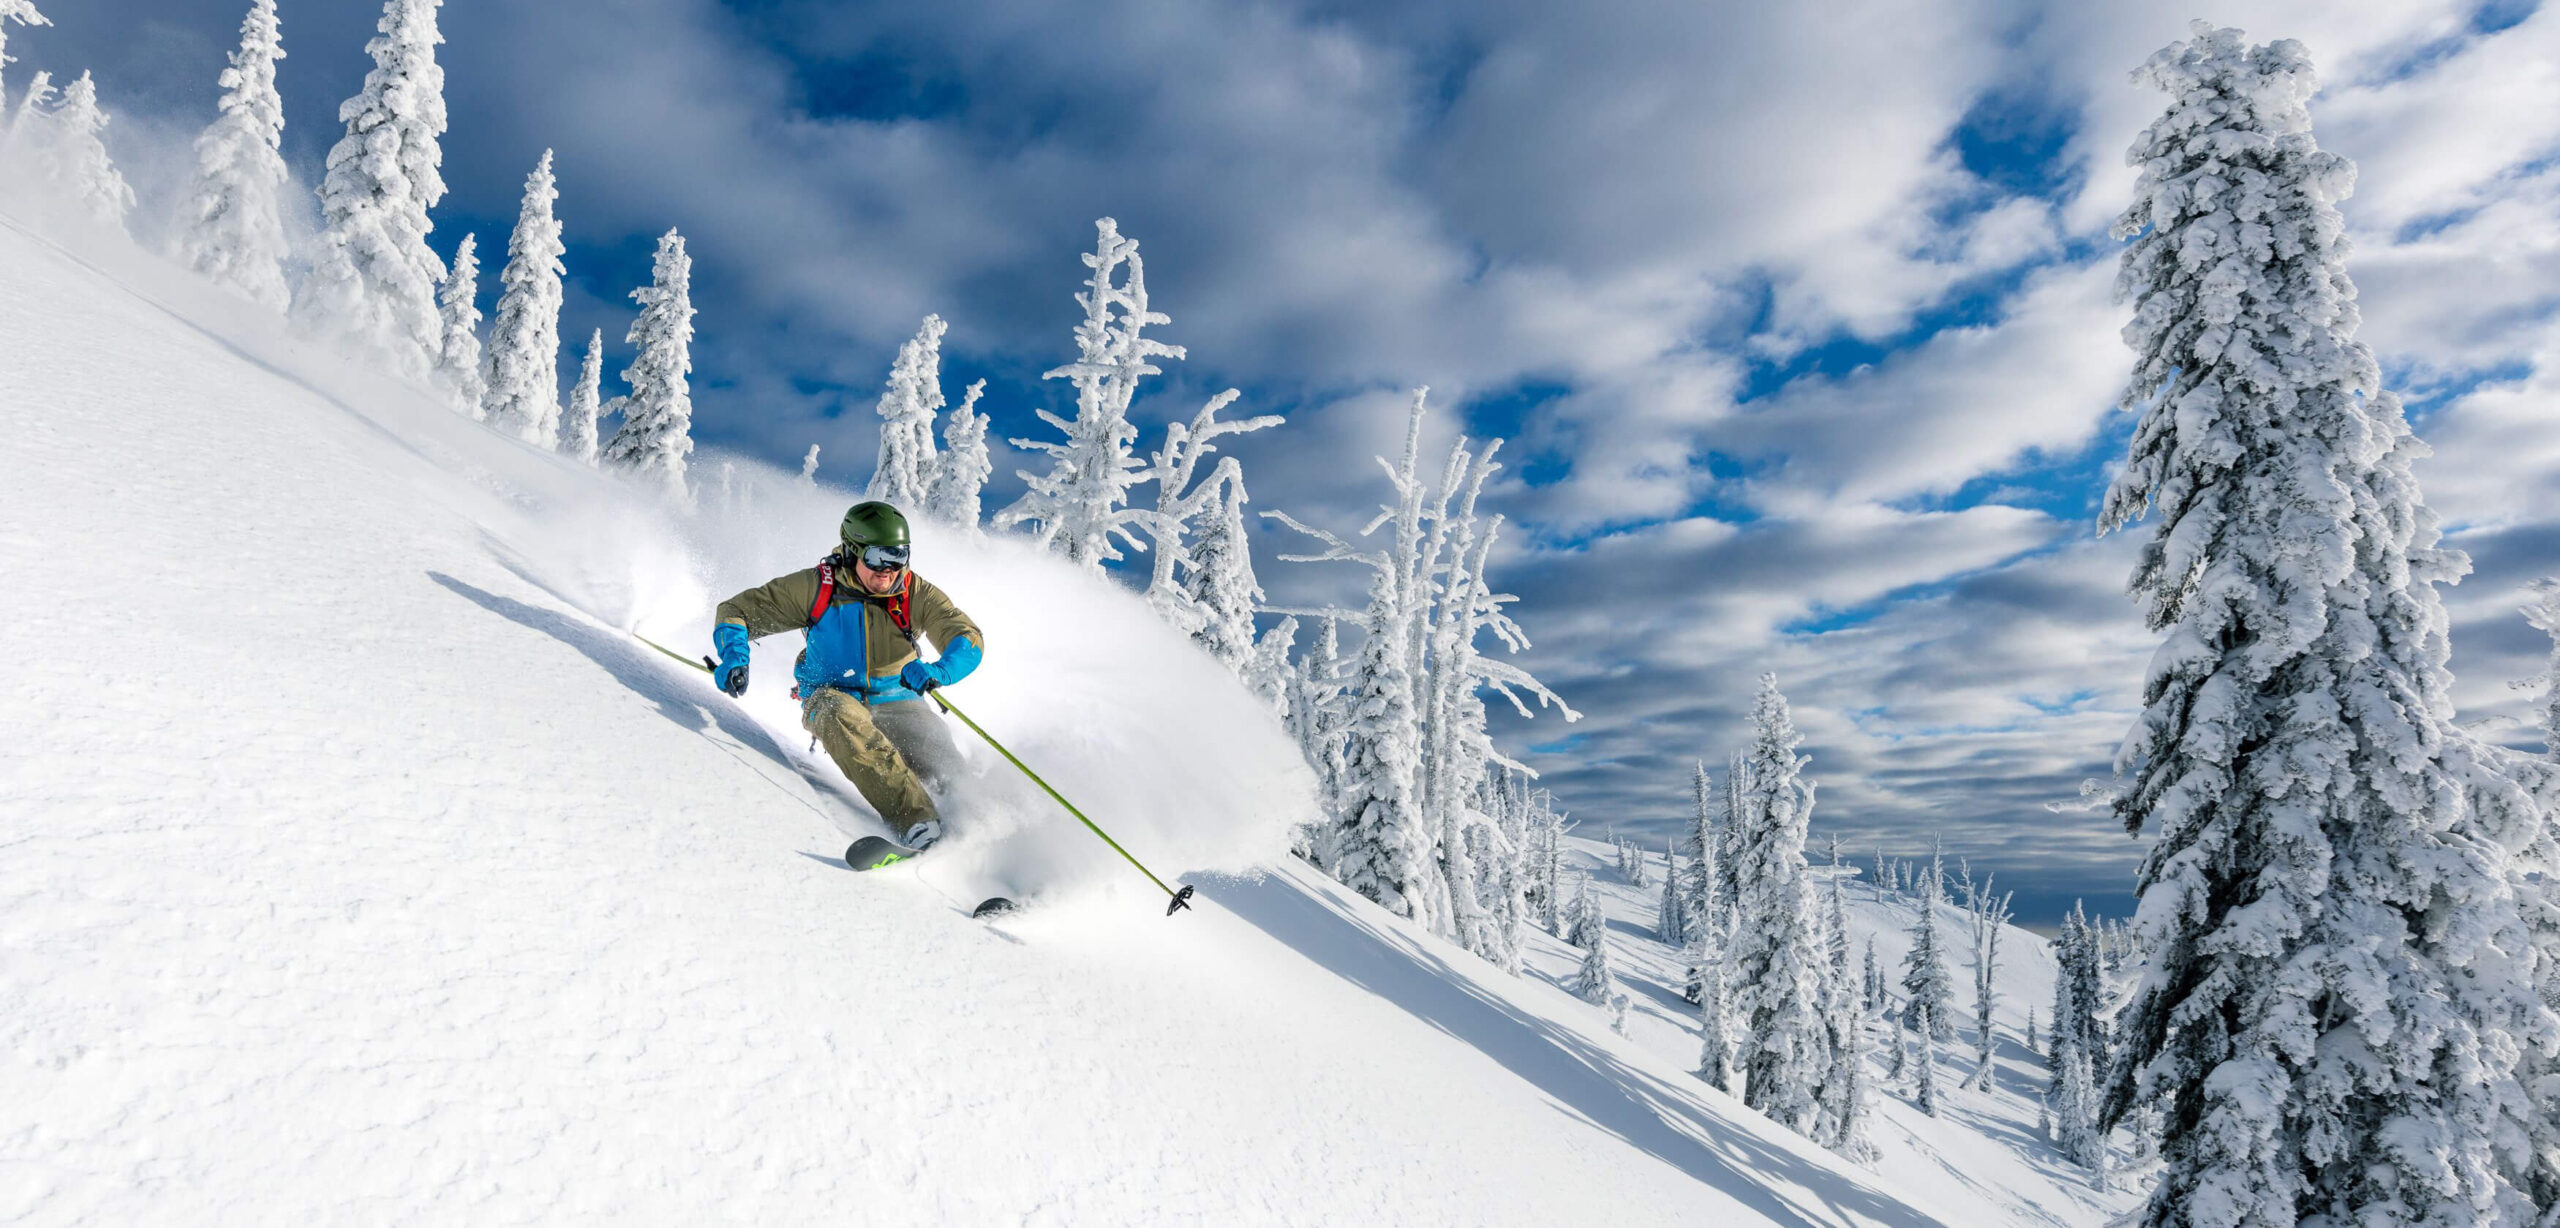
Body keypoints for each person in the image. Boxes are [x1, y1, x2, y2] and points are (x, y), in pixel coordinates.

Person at [710, 501, 983, 850]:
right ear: (853, 551)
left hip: (898, 697)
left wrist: (940, 670)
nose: (888, 571)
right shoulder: (816, 587)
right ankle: (919, 824)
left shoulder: (914, 592)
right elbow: (737, 611)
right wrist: (735, 656)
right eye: (877, 558)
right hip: (832, 695)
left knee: (945, 765)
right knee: (841, 717)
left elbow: (966, 635)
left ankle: (982, 833)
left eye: (898, 557)